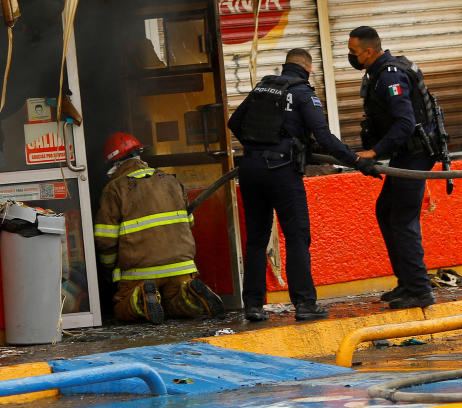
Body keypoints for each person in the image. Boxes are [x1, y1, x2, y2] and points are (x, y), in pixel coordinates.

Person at [228, 48, 380, 322]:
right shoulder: (303, 93)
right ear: (308, 70)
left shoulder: (263, 87)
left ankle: (252, 306)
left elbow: (234, 122)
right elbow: (323, 136)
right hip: (281, 172)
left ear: (285, 65)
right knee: (297, 237)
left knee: (256, 240)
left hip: (251, 169)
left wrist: (259, 144)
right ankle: (305, 304)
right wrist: (357, 161)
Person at [347, 26, 438, 311]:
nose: (350, 56)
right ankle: (407, 282)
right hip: (405, 153)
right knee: (386, 210)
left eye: (353, 52)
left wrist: (374, 152)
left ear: (369, 52)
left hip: (415, 155)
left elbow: (404, 122)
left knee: (401, 219)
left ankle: (420, 290)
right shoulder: (379, 71)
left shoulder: (390, 75)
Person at [93, 132, 226, 324]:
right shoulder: (172, 181)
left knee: (122, 306)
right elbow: (189, 223)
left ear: (113, 165)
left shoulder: (114, 189)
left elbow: (105, 239)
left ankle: (141, 298)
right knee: (173, 303)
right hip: (181, 268)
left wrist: (109, 270)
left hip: (140, 273)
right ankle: (191, 296)